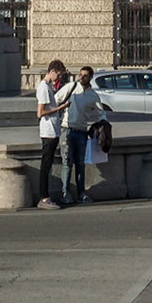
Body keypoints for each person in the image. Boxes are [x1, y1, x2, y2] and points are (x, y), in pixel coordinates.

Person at [62, 65, 111, 206]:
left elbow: (100, 113)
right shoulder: (71, 88)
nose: (81, 77)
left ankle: (81, 193)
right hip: (67, 129)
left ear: (90, 78)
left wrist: (101, 126)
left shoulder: (92, 96)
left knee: (80, 164)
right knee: (67, 162)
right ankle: (65, 192)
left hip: (82, 131)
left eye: (85, 76)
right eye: (80, 75)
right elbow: (56, 100)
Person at [34, 59, 73, 208]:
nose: (59, 78)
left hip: (52, 130)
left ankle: (45, 196)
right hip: (48, 131)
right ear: (52, 72)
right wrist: (60, 107)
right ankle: (44, 198)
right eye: (58, 75)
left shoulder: (48, 87)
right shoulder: (43, 88)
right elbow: (41, 112)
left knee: (48, 164)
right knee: (46, 165)